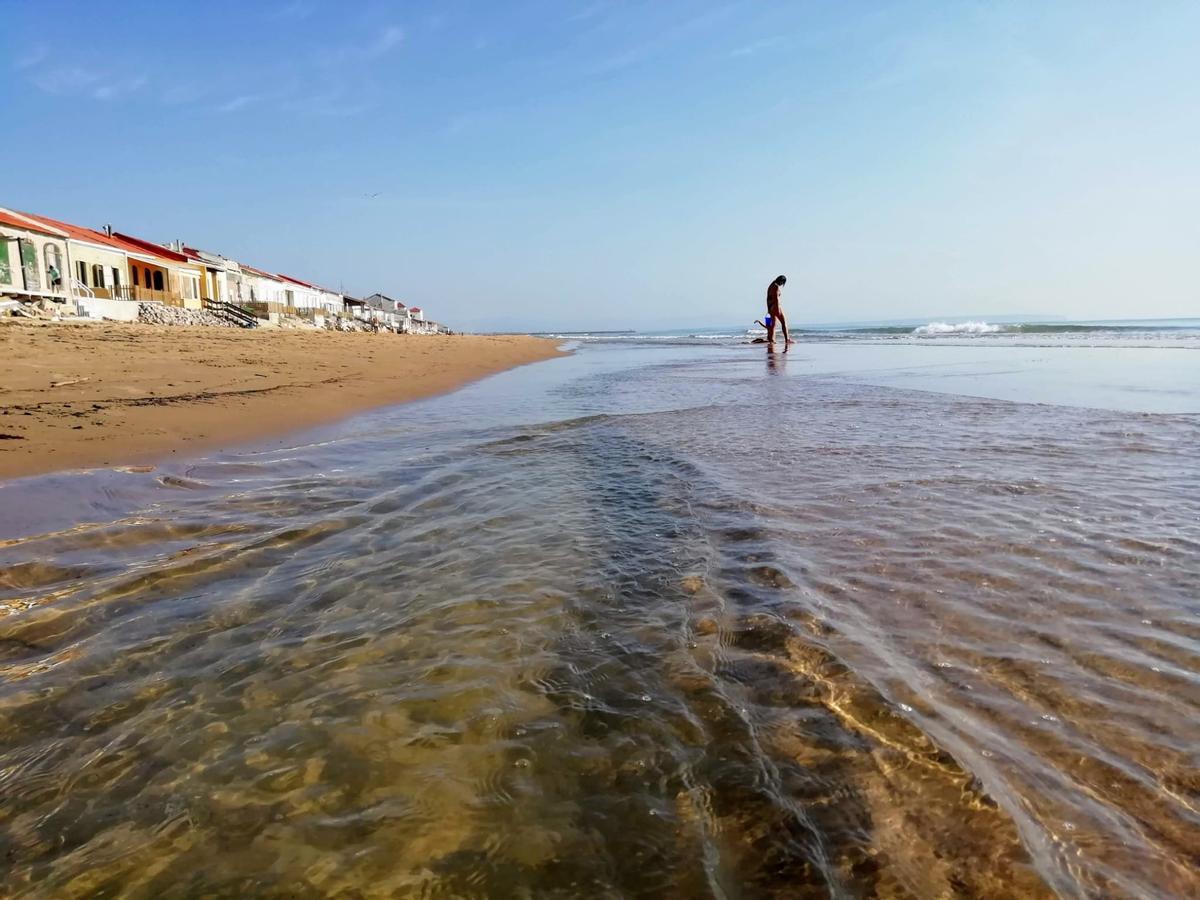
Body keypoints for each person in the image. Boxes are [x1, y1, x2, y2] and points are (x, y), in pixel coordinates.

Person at [765, 275, 788, 347]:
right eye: (782, 283)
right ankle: (787, 340)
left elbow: (768, 299)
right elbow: (776, 299)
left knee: (773, 326)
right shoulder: (776, 287)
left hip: (771, 307)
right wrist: (778, 310)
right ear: (781, 281)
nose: (782, 284)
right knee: (784, 323)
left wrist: (768, 309)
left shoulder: (771, 285)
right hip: (776, 307)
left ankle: (772, 340)